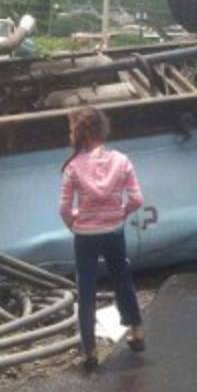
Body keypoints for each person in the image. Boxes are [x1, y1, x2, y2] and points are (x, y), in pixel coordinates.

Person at [58, 106, 146, 370]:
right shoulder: (121, 160)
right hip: (114, 232)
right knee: (122, 278)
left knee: (86, 289)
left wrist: (74, 222)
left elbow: (63, 208)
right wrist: (120, 213)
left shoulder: (73, 167)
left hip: (85, 236)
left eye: (71, 129)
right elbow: (137, 199)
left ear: (81, 134)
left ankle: (89, 351)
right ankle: (137, 331)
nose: (69, 133)